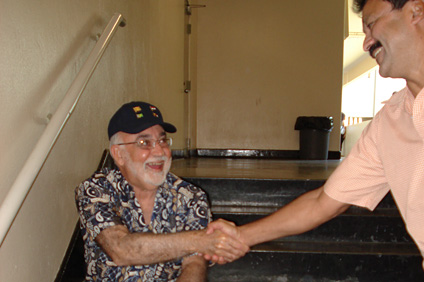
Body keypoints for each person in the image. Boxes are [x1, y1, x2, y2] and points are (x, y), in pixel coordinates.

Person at [205, 0, 424, 269]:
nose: (366, 44)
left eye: (371, 25)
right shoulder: (389, 122)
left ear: (416, 11)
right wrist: (241, 236)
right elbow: (322, 203)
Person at [75, 101, 248, 281]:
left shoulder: (190, 197)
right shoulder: (95, 190)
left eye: (162, 140)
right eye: (144, 142)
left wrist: (200, 245)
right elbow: (121, 249)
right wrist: (201, 240)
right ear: (119, 154)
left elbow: (194, 264)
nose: (159, 151)